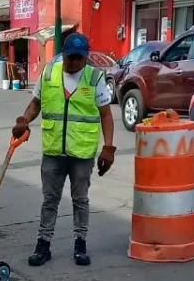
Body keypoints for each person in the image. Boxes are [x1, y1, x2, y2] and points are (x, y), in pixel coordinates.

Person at [12, 32, 116, 268]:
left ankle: (80, 244)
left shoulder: (94, 78)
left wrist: (108, 148)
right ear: (64, 55)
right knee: (50, 199)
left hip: (82, 153)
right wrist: (24, 120)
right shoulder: (49, 73)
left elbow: (106, 114)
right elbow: (36, 104)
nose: (74, 63)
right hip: (53, 151)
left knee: (80, 199)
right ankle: (43, 244)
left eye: (79, 59)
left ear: (85, 57)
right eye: (70, 58)